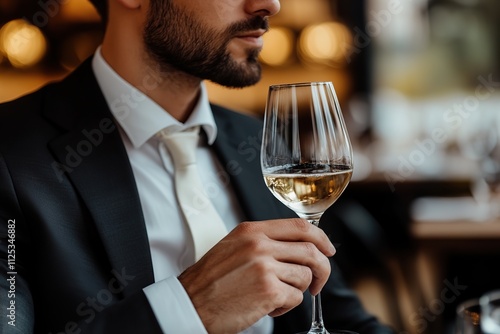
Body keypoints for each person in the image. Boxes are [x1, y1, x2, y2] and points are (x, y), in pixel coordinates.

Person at [0, 0, 395, 333]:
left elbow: (345, 320)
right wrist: (187, 307)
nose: (271, 4)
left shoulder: (261, 143)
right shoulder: (10, 157)